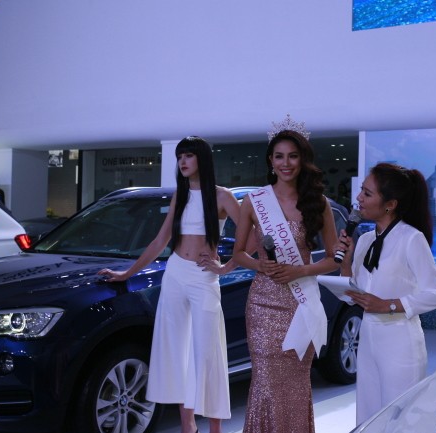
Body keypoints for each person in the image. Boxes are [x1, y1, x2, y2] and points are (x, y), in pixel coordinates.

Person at [98, 136, 240, 433]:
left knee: (208, 352)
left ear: (202, 159)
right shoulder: (181, 195)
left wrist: (227, 267)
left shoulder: (223, 196)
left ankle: (215, 427)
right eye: (179, 157)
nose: (182, 162)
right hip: (175, 273)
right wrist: (127, 273)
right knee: (176, 350)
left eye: (188, 156)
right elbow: (160, 240)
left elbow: (252, 234)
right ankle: (188, 426)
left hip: (203, 277)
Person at [232, 116, 339, 433]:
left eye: (293, 156)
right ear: (270, 160)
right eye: (279, 156)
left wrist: (301, 269)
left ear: (302, 159)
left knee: (295, 383)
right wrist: (260, 265)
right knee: (265, 382)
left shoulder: (318, 203)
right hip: (263, 305)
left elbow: (334, 259)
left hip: (300, 305)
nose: (286, 163)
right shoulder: (254, 201)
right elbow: (239, 254)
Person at [335, 162, 436, 426]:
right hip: (368, 340)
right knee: (370, 417)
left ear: (390, 204)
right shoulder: (365, 240)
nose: (359, 198)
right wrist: (345, 263)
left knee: (401, 421)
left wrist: (390, 305)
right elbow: (352, 294)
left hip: (400, 343)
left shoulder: (411, 238)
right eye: (361, 191)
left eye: (367, 193)